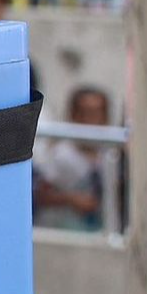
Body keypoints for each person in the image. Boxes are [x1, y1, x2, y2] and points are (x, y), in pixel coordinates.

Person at [33, 85, 113, 231]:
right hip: (65, 233)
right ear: (73, 115)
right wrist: (71, 199)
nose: (92, 121)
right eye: (86, 114)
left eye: (98, 114)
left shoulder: (111, 155)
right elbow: (40, 195)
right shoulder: (61, 155)